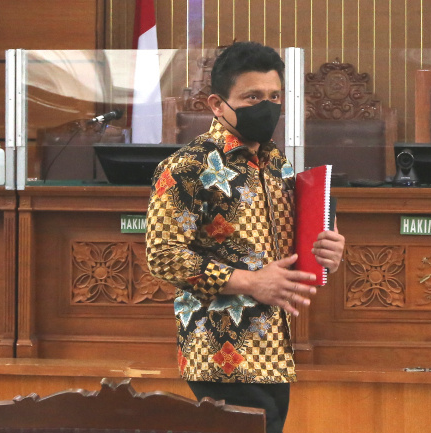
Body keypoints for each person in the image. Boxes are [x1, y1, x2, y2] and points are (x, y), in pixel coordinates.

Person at [145, 41, 345, 433]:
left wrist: (328, 251)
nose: (266, 107)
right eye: (253, 97)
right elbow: (163, 255)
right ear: (217, 104)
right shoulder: (186, 166)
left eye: (274, 97)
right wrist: (250, 282)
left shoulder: (278, 164)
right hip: (218, 348)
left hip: (274, 347)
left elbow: (291, 244)